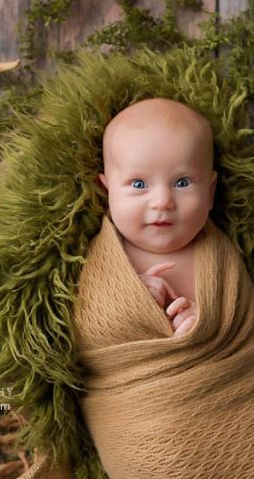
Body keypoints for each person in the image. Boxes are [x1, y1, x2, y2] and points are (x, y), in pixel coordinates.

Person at [97, 97, 217, 337]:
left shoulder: (223, 258)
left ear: (210, 192)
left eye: (182, 183)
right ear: (107, 191)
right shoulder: (97, 261)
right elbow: (84, 328)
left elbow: (245, 323)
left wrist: (204, 323)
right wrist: (131, 303)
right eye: (139, 184)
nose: (162, 201)